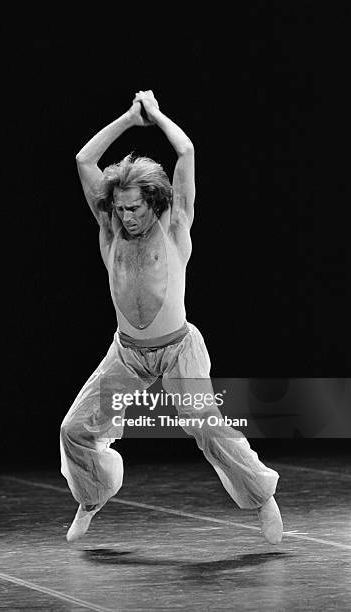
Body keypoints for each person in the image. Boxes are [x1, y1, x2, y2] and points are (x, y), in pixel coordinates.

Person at [60, 90, 283, 545]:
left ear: (153, 201)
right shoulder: (110, 231)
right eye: (120, 208)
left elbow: (186, 151)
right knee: (75, 430)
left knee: (205, 425)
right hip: (126, 356)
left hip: (179, 349)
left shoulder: (175, 224)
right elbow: (85, 160)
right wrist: (126, 119)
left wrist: (156, 116)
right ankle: (94, 495)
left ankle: (261, 497)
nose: (127, 217)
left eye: (135, 208)